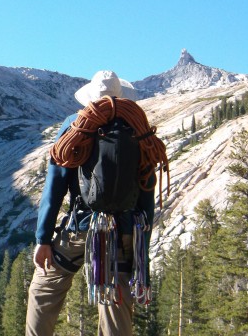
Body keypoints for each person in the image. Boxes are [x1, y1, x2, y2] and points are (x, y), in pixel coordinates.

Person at [25, 70, 156, 336]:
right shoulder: (138, 129)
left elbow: (55, 187)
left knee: (44, 290)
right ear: (120, 95)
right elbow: (147, 190)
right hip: (123, 231)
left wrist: (43, 238)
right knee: (115, 308)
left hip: (81, 227)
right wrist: (140, 244)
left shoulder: (76, 125)